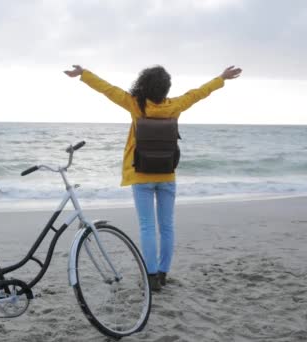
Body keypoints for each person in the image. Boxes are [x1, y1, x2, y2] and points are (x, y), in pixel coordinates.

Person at [64, 64, 242, 291]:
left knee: (147, 227)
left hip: (140, 175)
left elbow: (108, 89)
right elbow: (199, 93)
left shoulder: (136, 105)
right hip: (167, 174)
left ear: (143, 84)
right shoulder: (175, 106)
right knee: (167, 226)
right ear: (166, 88)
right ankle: (163, 273)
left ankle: (150, 276)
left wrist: (83, 74)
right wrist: (221, 78)